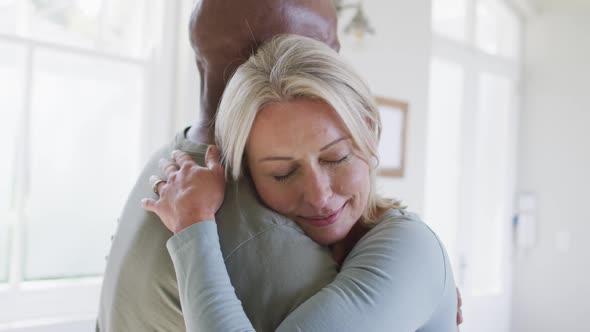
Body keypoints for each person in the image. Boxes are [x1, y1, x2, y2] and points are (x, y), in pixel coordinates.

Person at [143, 34, 458, 331]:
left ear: (370, 132)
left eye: (336, 158)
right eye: (283, 173)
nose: (319, 195)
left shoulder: (412, 250)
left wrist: (193, 224)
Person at [98, 1, 344, 331]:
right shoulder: (271, 243)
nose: (342, 65)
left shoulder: (168, 161)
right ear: (279, 70)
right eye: (329, 47)